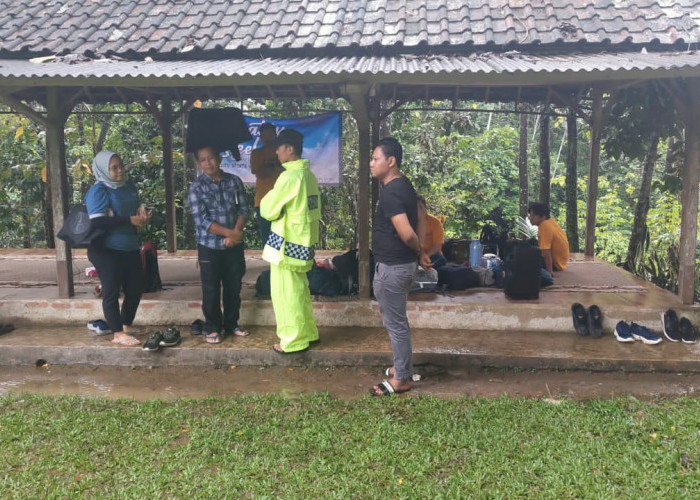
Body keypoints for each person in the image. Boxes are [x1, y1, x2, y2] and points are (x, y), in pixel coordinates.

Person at [369, 137, 431, 397]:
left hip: (394, 268)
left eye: (375, 159)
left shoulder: (392, 191)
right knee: (397, 322)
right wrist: (422, 252)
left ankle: (402, 379)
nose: (371, 164)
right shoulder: (405, 185)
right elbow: (422, 216)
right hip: (401, 265)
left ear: (390, 161)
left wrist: (417, 249)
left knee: (396, 324)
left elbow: (406, 233)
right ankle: (400, 367)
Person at [260, 129, 321, 354]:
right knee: (301, 292)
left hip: (285, 246)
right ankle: (309, 333)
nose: (276, 151)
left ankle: (292, 341)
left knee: (286, 295)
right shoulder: (308, 176)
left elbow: (267, 209)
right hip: (303, 244)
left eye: (279, 147)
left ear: (290, 149)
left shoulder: (289, 177)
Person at [85, 151, 150, 346]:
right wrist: (128, 219)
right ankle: (117, 333)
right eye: (114, 168)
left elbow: (135, 205)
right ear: (104, 170)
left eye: (121, 165)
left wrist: (142, 211)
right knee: (111, 291)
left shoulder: (127, 185)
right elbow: (98, 222)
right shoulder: (99, 190)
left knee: (136, 288)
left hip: (129, 245)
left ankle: (125, 324)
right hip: (106, 249)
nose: (120, 170)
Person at [188, 145, 250, 344]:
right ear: (199, 163)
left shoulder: (234, 181)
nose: (208, 163)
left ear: (220, 158)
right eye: (203, 160)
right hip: (209, 246)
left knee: (233, 287)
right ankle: (213, 327)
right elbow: (201, 220)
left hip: (234, 245)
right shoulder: (197, 187)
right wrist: (229, 233)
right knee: (211, 290)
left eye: (211, 158)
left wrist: (235, 234)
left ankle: (231, 324)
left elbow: (244, 209)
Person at [250, 122, 284, 245]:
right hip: (263, 202)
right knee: (268, 239)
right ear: (261, 137)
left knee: (284, 236)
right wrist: (275, 165)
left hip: (283, 200)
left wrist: (269, 166)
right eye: (265, 135)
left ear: (276, 135)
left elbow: (288, 169)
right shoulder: (256, 154)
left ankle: (284, 263)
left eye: (271, 134)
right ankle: (272, 264)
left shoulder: (283, 152)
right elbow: (259, 173)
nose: (268, 138)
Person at [527, 201, 570, 284]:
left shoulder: (544, 226)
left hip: (555, 264)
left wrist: (549, 272)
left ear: (542, 216)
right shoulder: (550, 222)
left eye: (533, 215)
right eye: (530, 215)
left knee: (524, 259)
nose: (530, 218)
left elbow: (546, 252)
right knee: (530, 243)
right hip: (561, 262)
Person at [417, 196, 447, 270]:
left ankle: (424, 268)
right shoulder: (408, 223)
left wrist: (426, 256)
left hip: (431, 255)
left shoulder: (435, 222)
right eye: (416, 208)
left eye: (421, 207)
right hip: (416, 255)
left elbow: (437, 245)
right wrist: (421, 254)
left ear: (425, 208)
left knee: (441, 260)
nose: (419, 210)